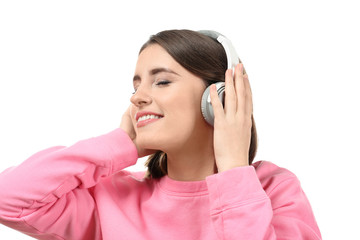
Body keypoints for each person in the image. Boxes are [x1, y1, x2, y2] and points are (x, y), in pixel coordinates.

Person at [0, 29, 322, 239]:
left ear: (221, 97)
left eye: (162, 81)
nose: (136, 97)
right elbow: (8, 197)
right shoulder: (113, 197)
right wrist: (116, 147)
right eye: (136, 84)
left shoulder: (275, 191)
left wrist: (235, 171)